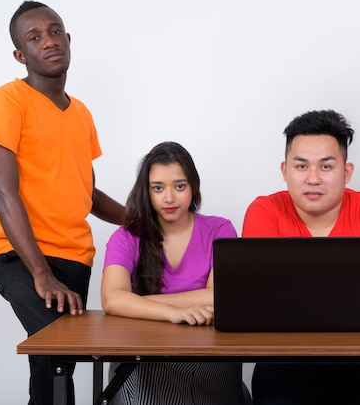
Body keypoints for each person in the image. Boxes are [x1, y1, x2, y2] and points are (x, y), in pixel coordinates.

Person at [0, 1, 126, 405]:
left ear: (68, 39)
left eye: (55, 30)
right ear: (20, 54)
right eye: (34, 37)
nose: (49, 41)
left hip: (75, 261)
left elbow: (89, 194)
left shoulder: (81, 114)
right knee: (55, 356)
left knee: (55, 367)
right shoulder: (6, 101)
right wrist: (41, 274)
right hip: (23, 259)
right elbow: (2, 193)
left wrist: (139, 220)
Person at [242, 110, 360, 405]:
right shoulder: (264, 211)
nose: (312, 178)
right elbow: (261, 299)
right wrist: (357, 295)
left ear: (346, 172)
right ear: (284, 170)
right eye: (301, 166)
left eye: (325, 166)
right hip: (287, 361)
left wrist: (294, 291)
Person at [101, 141, 250, 405]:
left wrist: (141, 303)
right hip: (145, 358)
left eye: (179, 186)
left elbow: (220, 298)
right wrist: (174, 313)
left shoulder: (220, 229)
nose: (169, 198)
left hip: (210, 360)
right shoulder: (126, 236)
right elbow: (112, 299)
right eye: (158, 188)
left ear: (193, 187)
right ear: (147, 192)